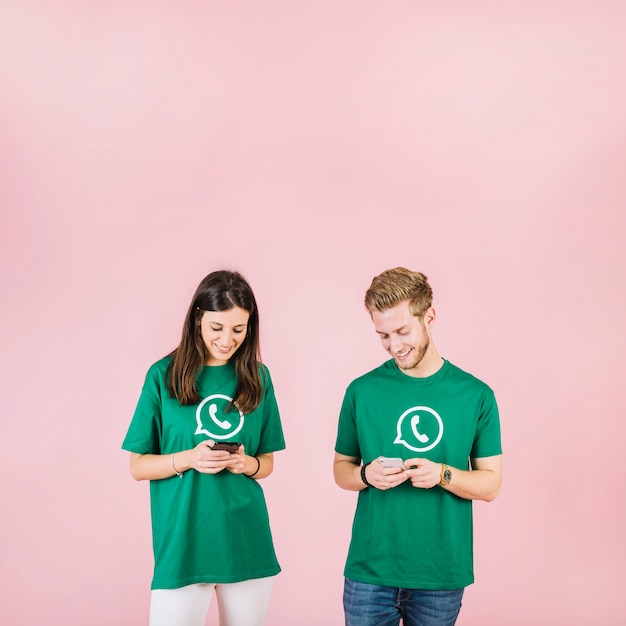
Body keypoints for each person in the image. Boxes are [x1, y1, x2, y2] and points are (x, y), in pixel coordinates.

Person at [333, 267, 502, 626]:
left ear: (430, 317)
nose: (395, 345)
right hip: (369, 572)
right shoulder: (361, 391)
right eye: (383, 335)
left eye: (402, 331)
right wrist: (366, 474)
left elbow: (490, 484)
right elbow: (341, 470)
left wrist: (442, 474)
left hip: (440, 575)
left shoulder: (476, 395)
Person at [122, 270, 285, 626]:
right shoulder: (162, 375)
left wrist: (247, 464)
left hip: (246, 540)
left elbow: (267, 462)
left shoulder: (258, 377)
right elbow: (138, 466)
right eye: (217, 328)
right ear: (198, 319)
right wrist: (189, 458)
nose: (227, 340)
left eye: (238, 330)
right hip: (183, 543)